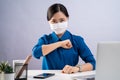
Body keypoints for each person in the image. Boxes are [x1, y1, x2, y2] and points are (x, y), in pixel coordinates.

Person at [32, 3, 96, 74]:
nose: (58, 24)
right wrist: (60, 44)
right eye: (54, 21)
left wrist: (77, 68)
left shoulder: (77, 40)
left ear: (67, 18)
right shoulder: (45, 39)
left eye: (62, 20)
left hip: (70, 77)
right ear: (48, 22)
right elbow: (35, 53)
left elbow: (92, 63)